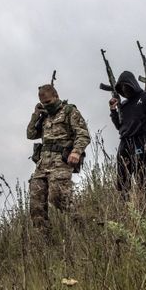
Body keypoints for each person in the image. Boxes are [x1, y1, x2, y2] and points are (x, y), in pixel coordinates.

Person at [26, 84, 91, 231]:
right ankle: (45, 241)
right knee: (35, 204)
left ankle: (84, 227)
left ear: (56, 96)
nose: (46, 106)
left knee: (58, 197)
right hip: (42, 165)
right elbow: (30, 134)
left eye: (48, 102)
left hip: (61, 162)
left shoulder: (69, 111)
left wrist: (76, 151)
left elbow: (83, 134)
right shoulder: (44, 117)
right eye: (43, 103)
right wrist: (36, 115)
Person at [109, 71, 146, 196]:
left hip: (141, 140)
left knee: (141, 175)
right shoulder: (124, 104)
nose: (125, 90)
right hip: (124, 143)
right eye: (122, 88)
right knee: (122, 177)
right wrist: (113, 111)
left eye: (126, 86)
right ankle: (125, 207)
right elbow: (119, 126)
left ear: (132, 84)